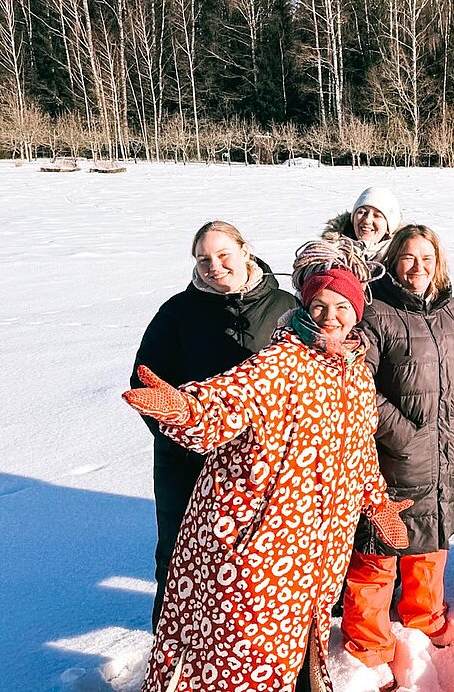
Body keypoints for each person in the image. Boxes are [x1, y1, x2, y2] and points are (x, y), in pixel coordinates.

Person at [122, 238, 411, 692]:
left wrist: (376, 503)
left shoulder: (356, 373)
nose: (330, 316)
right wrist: (184, 410)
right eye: (319, 305)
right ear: (304, 308)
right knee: (244, 654)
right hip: (262, 542)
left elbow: (358, 450)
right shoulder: (279, 363)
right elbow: (225, 401)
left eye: (341, 306)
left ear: (357, 312)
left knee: (298, 648)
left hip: (320, 549)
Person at [130, 220, 297, 627]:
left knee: (253, 559)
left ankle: (241, 642)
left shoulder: (285, 308)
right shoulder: (177, 312)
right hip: (186, 462)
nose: (214, 266)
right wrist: (183, 433)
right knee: (179, 554)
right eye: (203, 259)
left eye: (223, 255)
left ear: (245, 250)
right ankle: (173, 645)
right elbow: (145, 383)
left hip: (259, 466)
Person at [341, 225, 454, 677]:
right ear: (393, 261)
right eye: (408, 258)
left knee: (432, 537)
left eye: (427, 258)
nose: (418, 268)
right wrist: (402, 433)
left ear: (439, 263)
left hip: (444, 450)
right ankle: (368, 647)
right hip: (394, 454)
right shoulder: (376, 312)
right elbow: (359, 386)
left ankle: (424, 615)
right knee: (378, 551)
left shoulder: (451, 308)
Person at [323, 186, 403, 261]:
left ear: (389, 228)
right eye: (362, 212)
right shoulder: (327, 254)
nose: (367, 220)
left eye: (377, 215)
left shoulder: (400, 260)